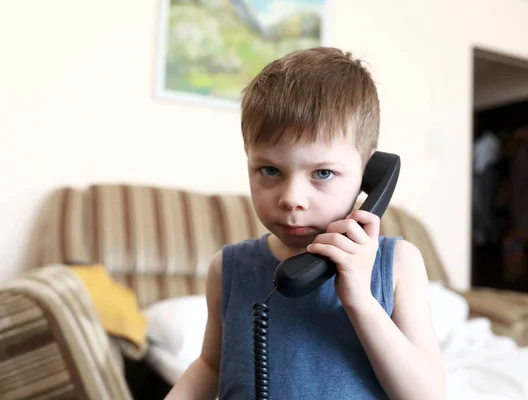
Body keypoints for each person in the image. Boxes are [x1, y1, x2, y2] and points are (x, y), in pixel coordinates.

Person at [165, 47, 445, 400]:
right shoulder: (228, 268)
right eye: (270, 170)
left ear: (369, 176)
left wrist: (360, 299)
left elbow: (427, 395)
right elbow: (210, 366)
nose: (291, 198)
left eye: (323, 173)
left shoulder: (398, 263)